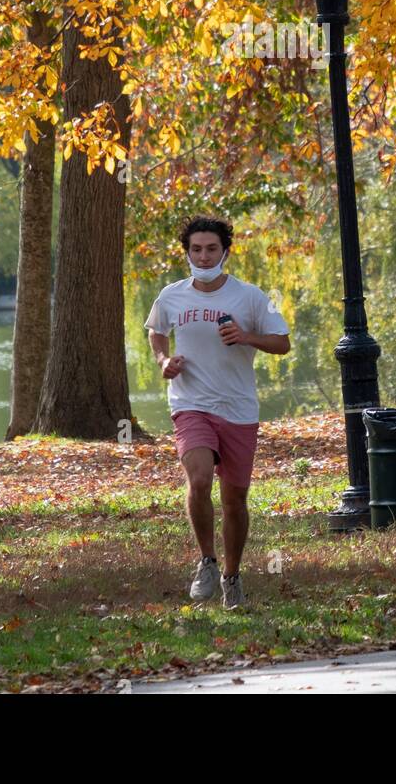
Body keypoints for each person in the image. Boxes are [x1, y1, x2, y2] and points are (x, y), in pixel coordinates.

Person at [144, 215, 290, 609]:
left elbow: (282, 343)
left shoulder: (250, 297)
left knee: (235, 501)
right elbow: (156, 330)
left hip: (238, 408)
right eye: (196, 249)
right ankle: (206, 561)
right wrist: (162, 360)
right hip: (190, 404)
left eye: (211, 249)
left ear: (226, 251)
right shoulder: (171, 295)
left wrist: (246, 337)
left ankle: (231, 575)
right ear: (187, 252)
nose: (204, 256)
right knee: (200, 479)